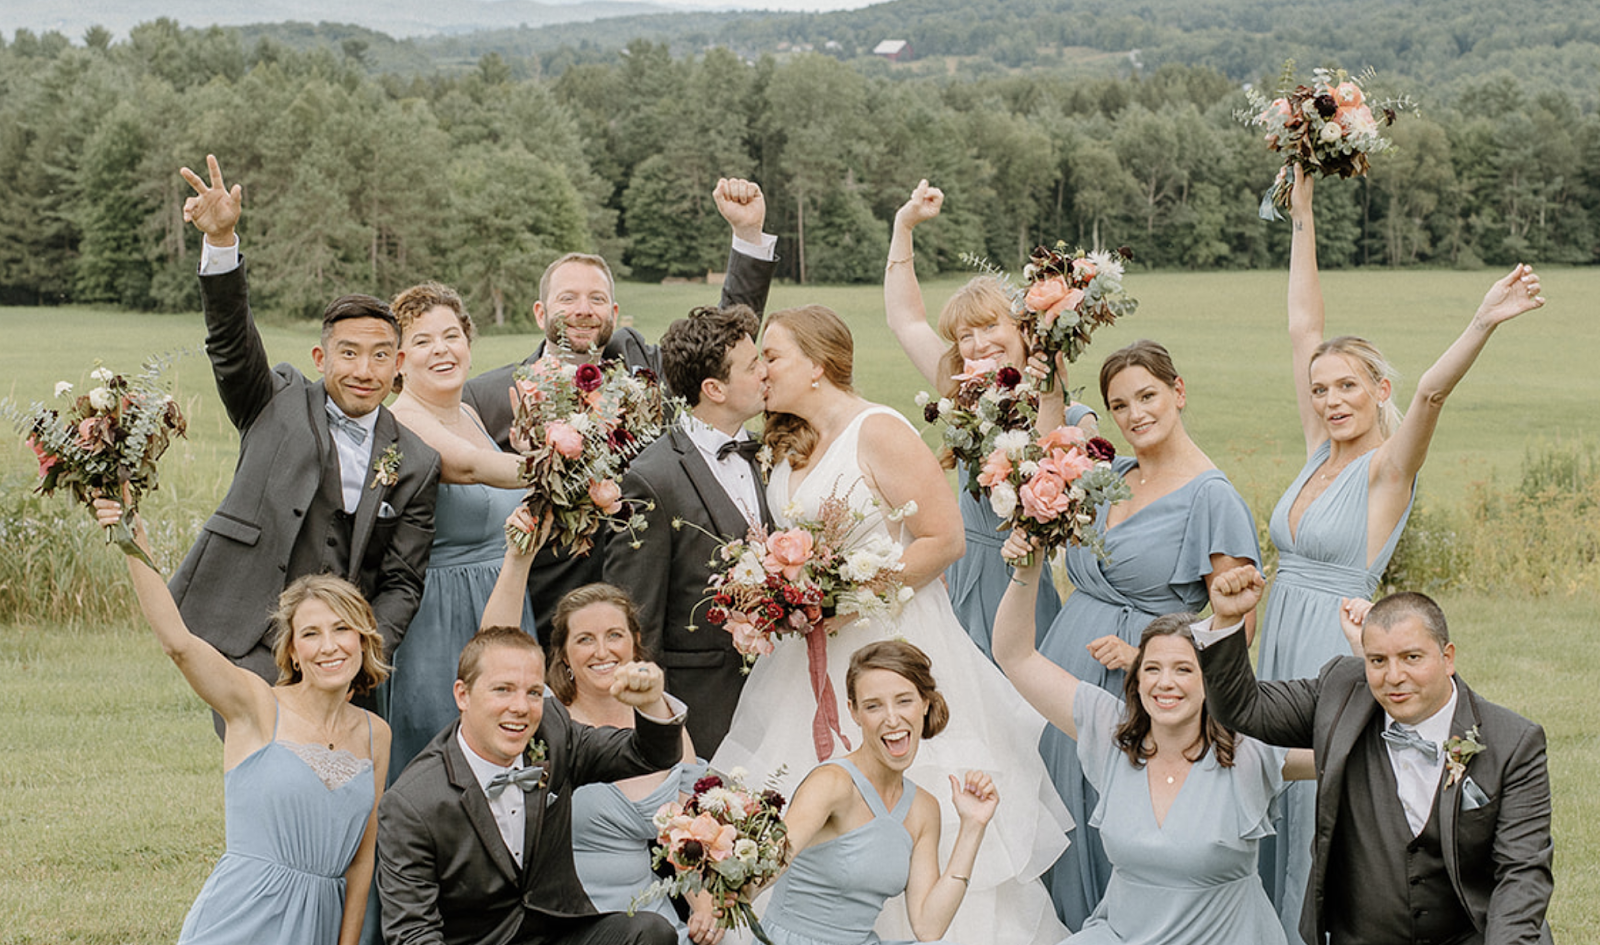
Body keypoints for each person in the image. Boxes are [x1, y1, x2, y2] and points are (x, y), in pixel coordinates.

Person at [711, 305, 1071, 945]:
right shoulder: (787, 443)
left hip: (892, 643)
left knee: (913, 801)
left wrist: (841, 597)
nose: (761, 369)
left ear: (818, 365)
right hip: (807, 659)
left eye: (774, 356)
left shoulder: (877, 429)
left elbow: (945, 539)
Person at [1259, 166, 1548, 931]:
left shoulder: (1387, 470)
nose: (1331, 400)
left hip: (1334, 636)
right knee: (1268, 788)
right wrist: (1305, 211)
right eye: (1322, 389)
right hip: (1277, 628)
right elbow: (1301, 325)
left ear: (1377, 388)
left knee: (1320, 795)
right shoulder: (1318, 449)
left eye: (1348, 386)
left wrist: (1482, 320)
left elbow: (1431, 395)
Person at [168, 155, 439, 694]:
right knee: (258, 769)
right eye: (349, 353)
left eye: (380, 356)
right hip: (244, 639)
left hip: (337, 658)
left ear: (398, 366)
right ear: (321, 357)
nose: (364, 371)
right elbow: (229, 343)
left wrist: (362, 654)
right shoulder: (275, 401)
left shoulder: (417, 461)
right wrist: (221, 242)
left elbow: (402, 583)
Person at [463, 179, 776, 639]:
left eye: (595, 299)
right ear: (538, 312)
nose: (582, 310)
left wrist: (747, 238)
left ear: (613, 311)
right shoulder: (489, 397)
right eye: (567, 298)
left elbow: (721, 345)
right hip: (544, 606)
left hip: (654, 601)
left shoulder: (642, 367)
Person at [991, 531, 1319, 945]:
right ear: (1137, 679)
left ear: (1210, 681)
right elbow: (1015, 655)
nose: (1166, 683)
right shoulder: (1111, 733)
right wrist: (1027, 570)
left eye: (1183, 669)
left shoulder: (1249, 749)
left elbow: (1341, 751)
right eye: (1152, 669)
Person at [1198, 567, 1555, 945]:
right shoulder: (1340, 694)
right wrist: (1227, 619)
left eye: (1411, 657)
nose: (1394, 676)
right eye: (1378, 661)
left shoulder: (1513, 742)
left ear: (1448, 658)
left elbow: (1522, 873)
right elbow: (1244, 708)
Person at [1033, 339, 1260, 930]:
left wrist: (1146, 659)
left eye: (1148, 396)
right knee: (1058, 823)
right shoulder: (1112, 474)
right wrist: (1052, 388)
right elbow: (1047, 457)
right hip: (1067, 673)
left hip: (1138, 695)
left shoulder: (1212, 497)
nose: (1135, 414)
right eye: (1120, 404)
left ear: (1178, 392)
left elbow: (1241, 623)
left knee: (1114, 832)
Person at [97, 499, 391, 945]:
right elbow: (179, 644)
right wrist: (131, 536)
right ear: (293, 651)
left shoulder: (375, 733)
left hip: (319, 924)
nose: (329, 646)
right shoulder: (256, 704)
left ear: (362, 638)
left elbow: (362, 858)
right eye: (311, 634)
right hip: (241, 920)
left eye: (342, 629)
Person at [881, 179, 1098, 660]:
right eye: (964, 336)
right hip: (955, 576)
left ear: (1023, 329)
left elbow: (1044, 475)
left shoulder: (1074, 416)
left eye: (989, 327)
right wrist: (904, 225)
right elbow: (904, 319)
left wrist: (1050, 389)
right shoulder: (965, 400)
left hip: (1018, 582)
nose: (978, 345)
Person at [602, 303, 771, 755]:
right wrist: (660, 728)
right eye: (754, 366)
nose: (766, 373)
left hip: (776, 693)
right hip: (702, 709)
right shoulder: (651, 477)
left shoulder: (767, 451)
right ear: (714, 388)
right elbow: (636, 618)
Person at [383, 281, 537, 777]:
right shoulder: (404, 420)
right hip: (438, 622)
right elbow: (470, 468)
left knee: (508, 753)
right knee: (444, 761)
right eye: (423, 341)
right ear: (400, 361)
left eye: (452, 336)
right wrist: (566, 460)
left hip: (505, 600)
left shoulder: (468, 412)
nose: (442, 350)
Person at [760, 641, 997, 945]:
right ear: (854, 712)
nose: (892, 719)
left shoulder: (924, 808)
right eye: (873, 706)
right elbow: (767, 867)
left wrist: (973, 826)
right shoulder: (831, 783)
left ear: (925, 703)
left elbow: (928, 927)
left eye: (904, 701)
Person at [543, 583, 722, 945]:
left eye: (614, 635)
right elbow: (493, 638)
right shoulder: (546, 719)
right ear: (562, 654)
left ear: (635, 641)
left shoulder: (664, 717)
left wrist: (703, 907)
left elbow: (686, 836)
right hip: (570, 918)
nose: (602, 651)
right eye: (584, 639)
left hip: (650, 917)